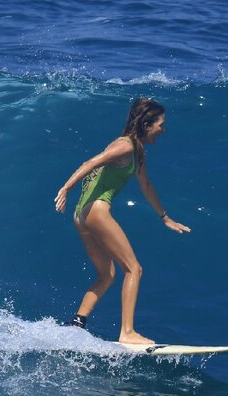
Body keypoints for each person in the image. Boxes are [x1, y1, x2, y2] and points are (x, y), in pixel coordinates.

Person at [54, 97, 191, 344]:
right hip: (96, 211)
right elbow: (90, 162)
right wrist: (65, 188)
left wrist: (165, 218)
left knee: (107, 275)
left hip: (81, 216)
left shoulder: (137, 152)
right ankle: (127, 333)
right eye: (160, 124)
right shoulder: (125, 146)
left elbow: (146, 185)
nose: (163, 129)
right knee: (134, 269)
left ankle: (77, 324)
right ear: (147, 124)